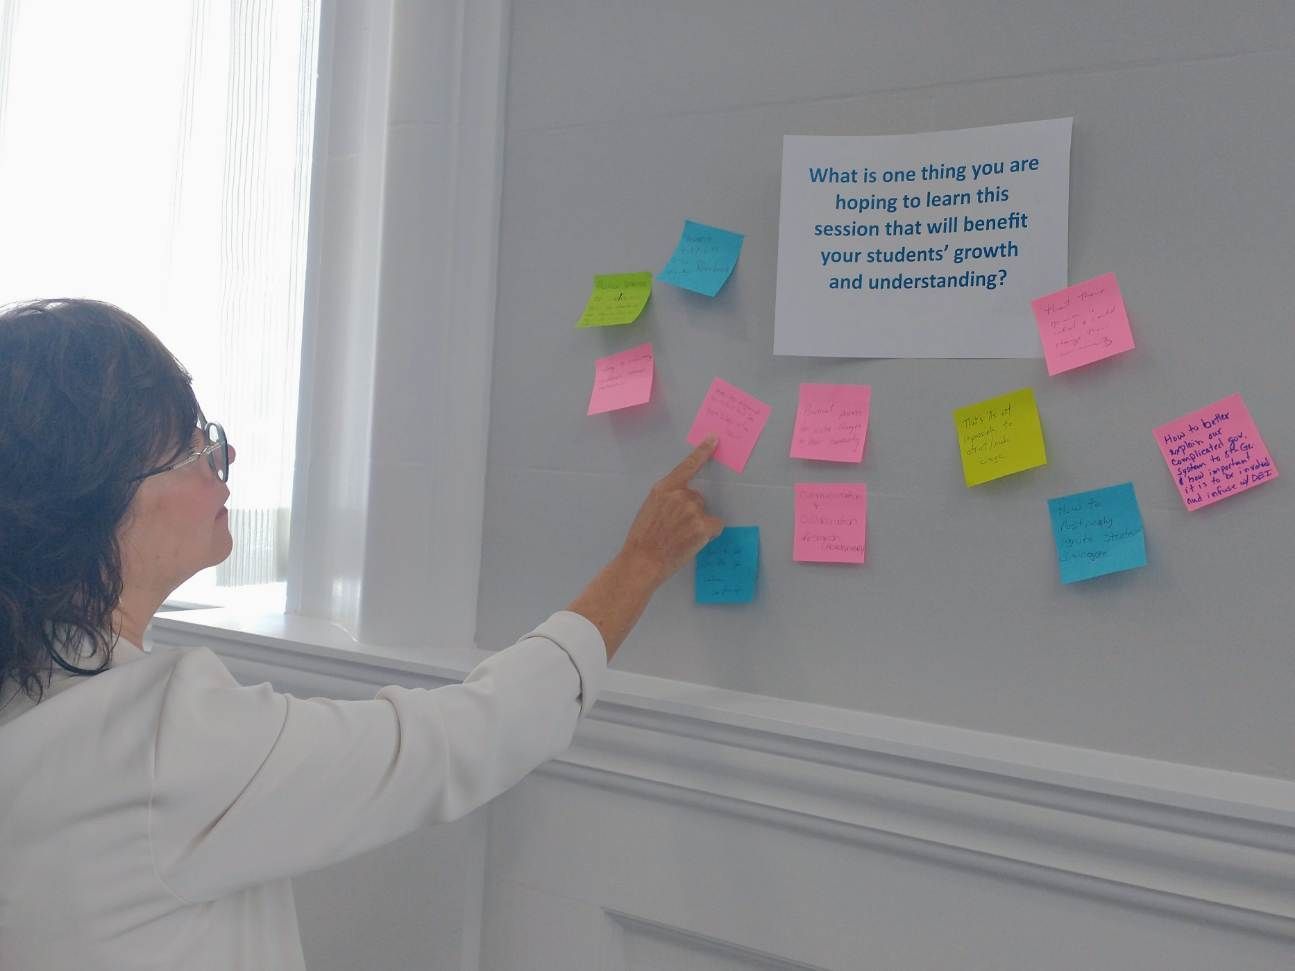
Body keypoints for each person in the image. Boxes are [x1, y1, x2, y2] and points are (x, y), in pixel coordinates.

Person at [0, 297, 723, 970]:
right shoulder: (162, 740)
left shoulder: (34, 692)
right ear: (98, 499)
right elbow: (469, 736)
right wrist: (640, 564)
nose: (224, 461)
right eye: (192, 447)